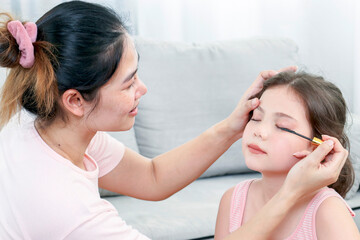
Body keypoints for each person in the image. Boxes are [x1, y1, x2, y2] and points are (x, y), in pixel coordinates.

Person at [0, 1, 349, 239]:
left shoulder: (52, 128)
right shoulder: (62, 203)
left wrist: (232, 126)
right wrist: (289, 194)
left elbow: (152, 178)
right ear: (75, 100)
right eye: (129, 82)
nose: (144, 88)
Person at [215, 71, 360, 240]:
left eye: (282, 126)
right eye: (256, 118)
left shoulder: (328, 211)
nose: (260, 132)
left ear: (318, 146)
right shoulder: (233, 200)